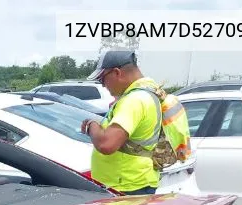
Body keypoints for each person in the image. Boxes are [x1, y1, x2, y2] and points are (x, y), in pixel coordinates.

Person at [80, 49, 191, 195]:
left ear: (117, 72)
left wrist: (91, 125)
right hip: (136, 181)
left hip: (126, 187)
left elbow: (106, 144)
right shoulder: (149, 93)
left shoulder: (134, 101)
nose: (103, 85)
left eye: (102, 79)